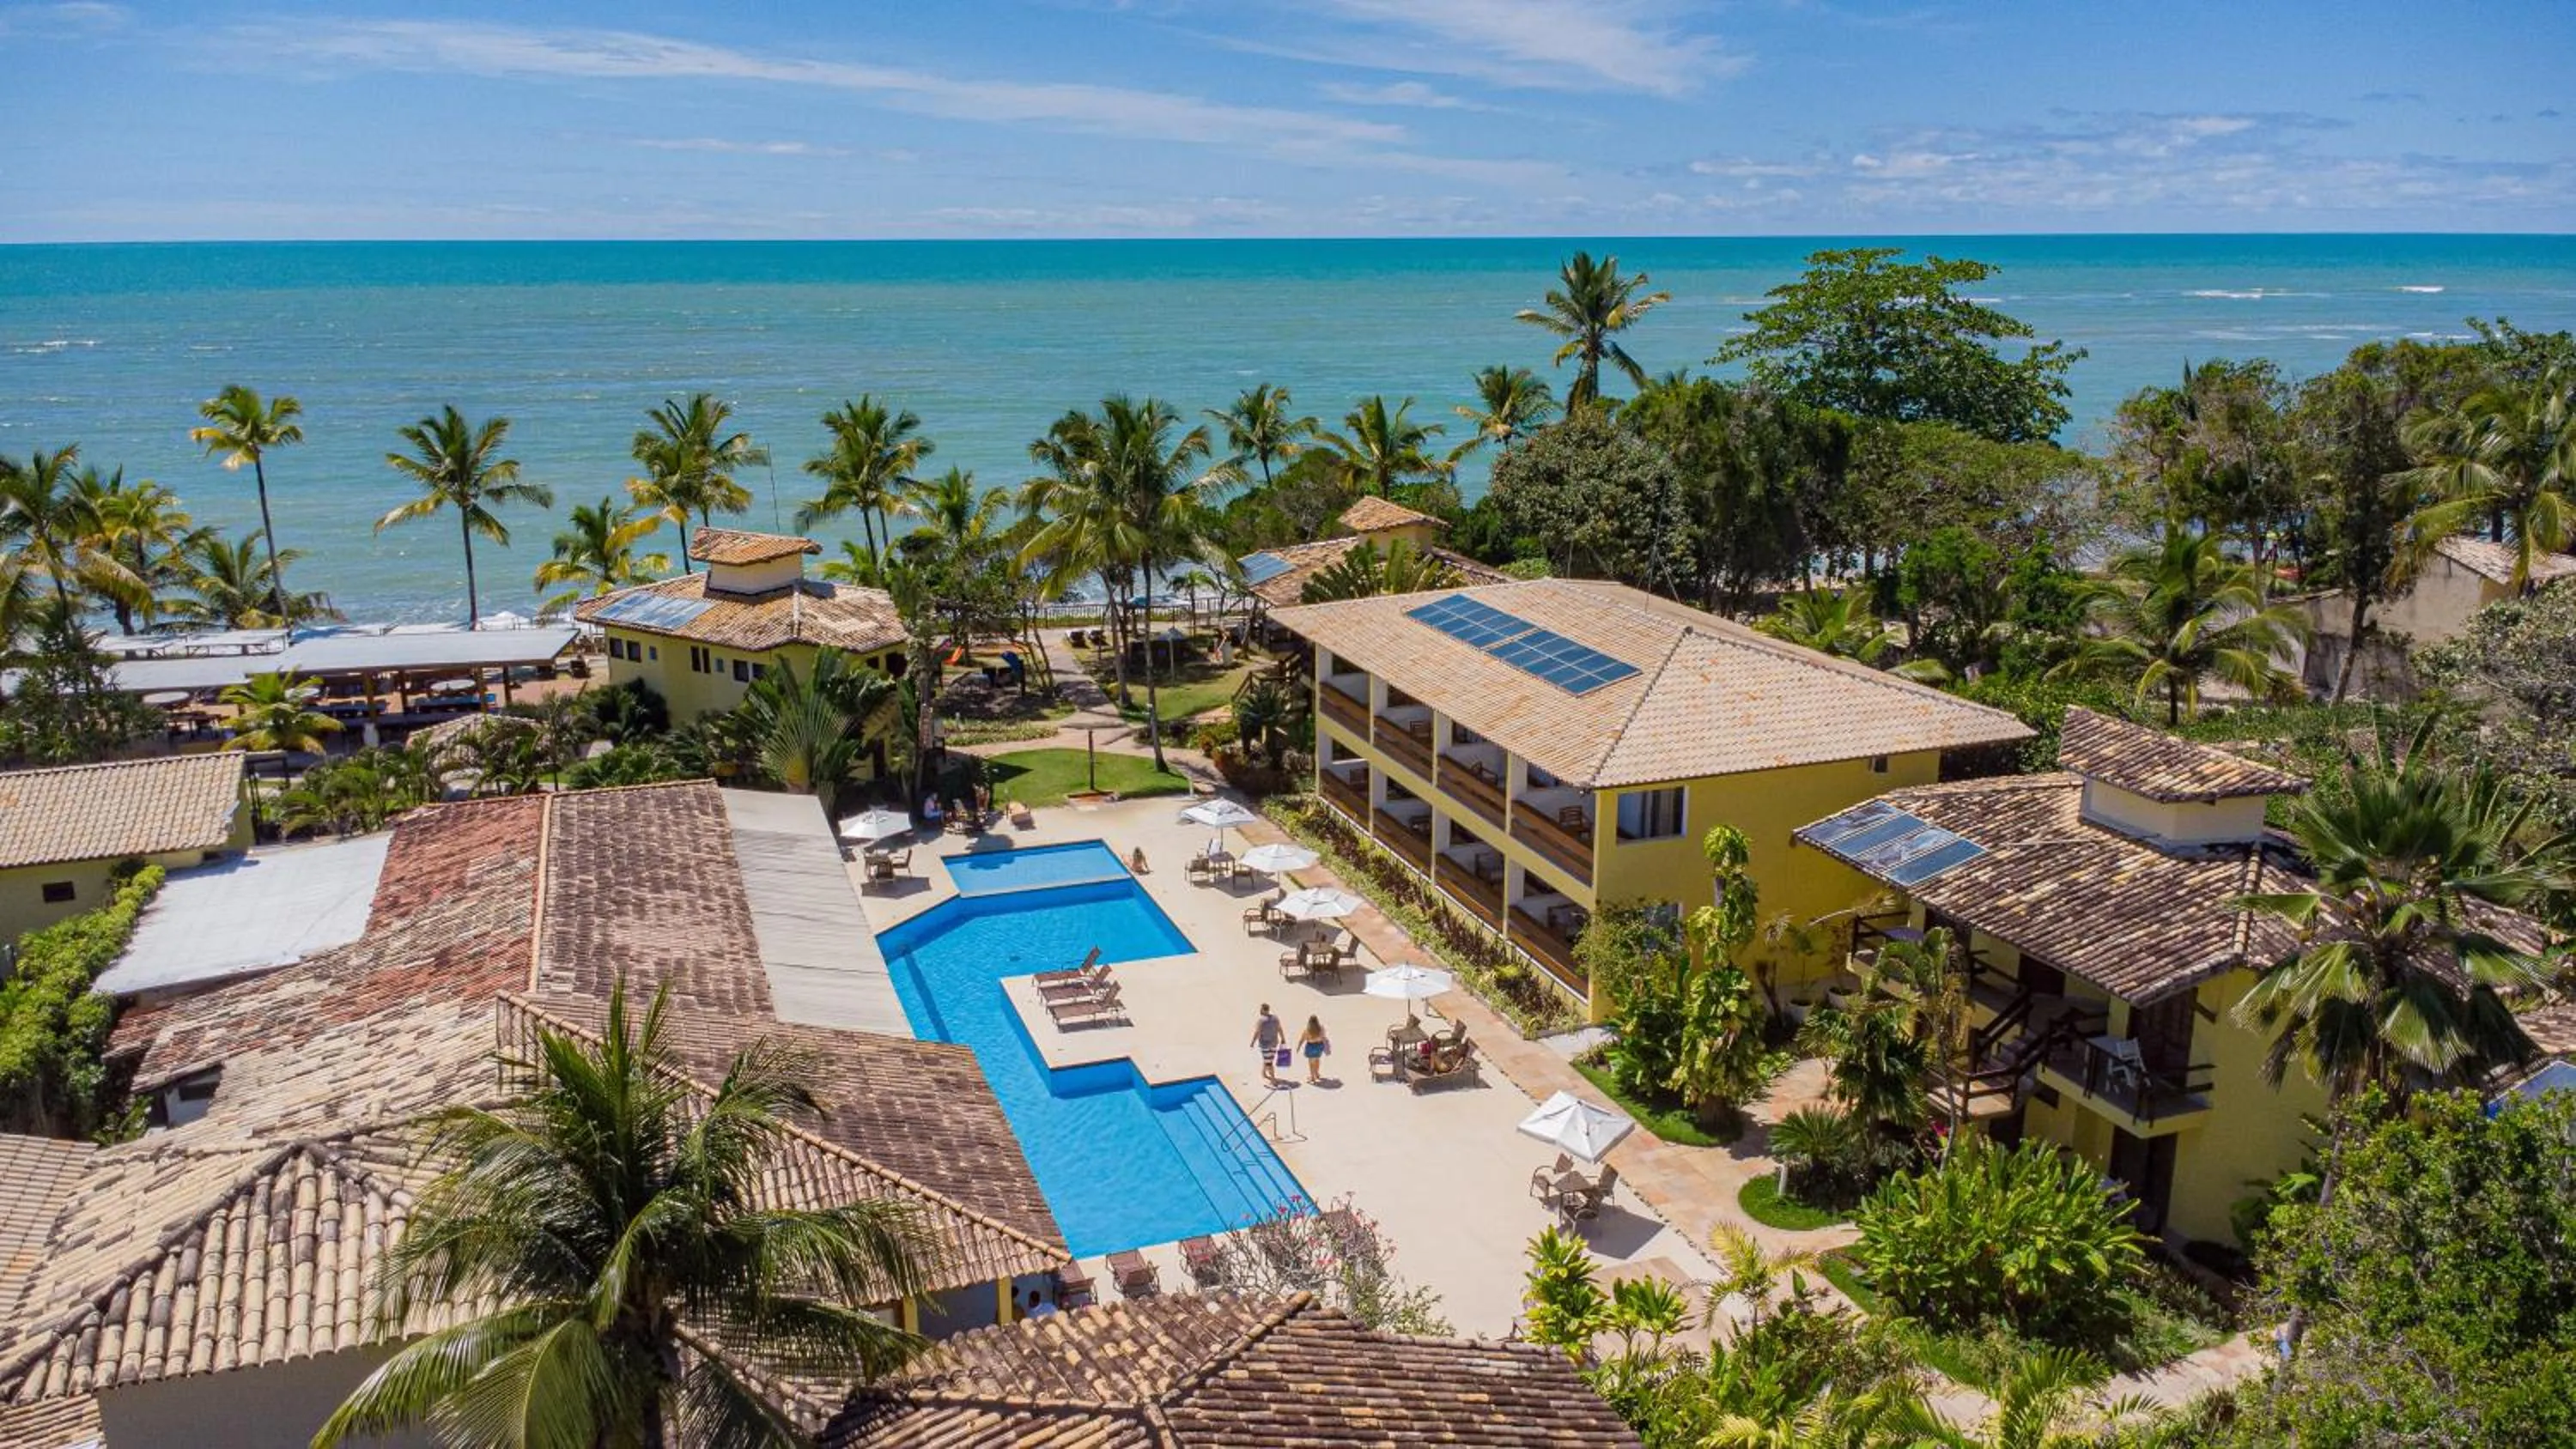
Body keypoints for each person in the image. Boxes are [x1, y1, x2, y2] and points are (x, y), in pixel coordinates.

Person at [1251, 1003, 1285, 1086]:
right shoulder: (1276, 1018)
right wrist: (1283, 1038)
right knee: (1268, 1059)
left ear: (1263, 1010)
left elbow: (1257, 1032)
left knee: (1269, 1062)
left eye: (1261, 1009)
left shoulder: (1261, 1020)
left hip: (1265, 1044)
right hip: (1274, 1043)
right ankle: (1264, 1073)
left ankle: (1273, 1080)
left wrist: (1253, 1042)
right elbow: (1280, 1029)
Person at [1298, 1016, 1331, 1084]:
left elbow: (1302, 1039)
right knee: (1317, 1060)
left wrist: (1298, 1047)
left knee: (1311, 1063)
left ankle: (1312, 1077)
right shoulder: (1321, 1028)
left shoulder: (1307, 1030)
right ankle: (1317, 1074)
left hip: (1311, 1046)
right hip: (1319, 1046)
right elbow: (1324, 1037)